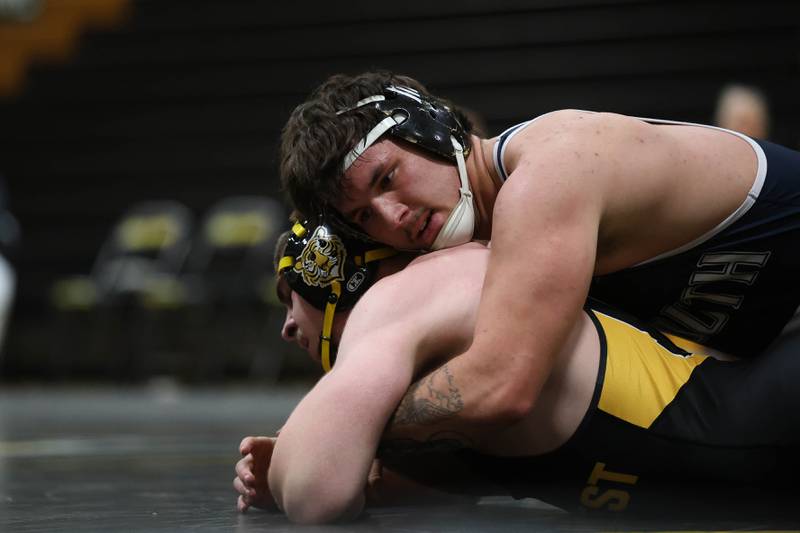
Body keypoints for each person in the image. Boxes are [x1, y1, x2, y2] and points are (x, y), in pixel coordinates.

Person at [279, 71, 800, 435]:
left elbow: (500, 388)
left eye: (387, 178)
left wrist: (342, 425)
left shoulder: (547, 175)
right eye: (366, 217)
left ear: (432, 129)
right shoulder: (494, 246)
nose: (393, 216)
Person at [233, 219, 799, 524]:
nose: (286, 327)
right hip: (752, 449)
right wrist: (334, 456)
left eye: (292, 299)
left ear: (333, 278)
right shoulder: (431, 345)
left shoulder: (402, 297)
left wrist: (305, 456)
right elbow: (443, 487)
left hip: (767, 420)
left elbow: (316, 497)